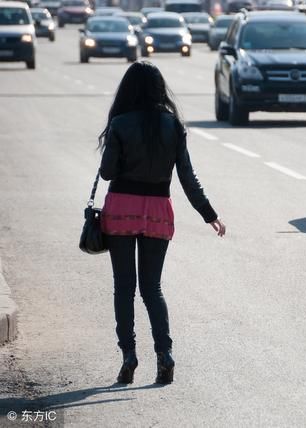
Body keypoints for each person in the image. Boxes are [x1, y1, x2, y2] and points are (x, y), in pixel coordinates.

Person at [98, 61, 226, 385]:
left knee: (124, 288)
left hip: (121, 208)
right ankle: (164, 355)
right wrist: (209, 214)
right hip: (157, 211)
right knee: (152, 288)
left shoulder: (121, 123)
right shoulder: (173, 125)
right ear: (159, 90)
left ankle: (128, 356)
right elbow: (187, 177)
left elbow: (108, 172)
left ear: (128, 90)